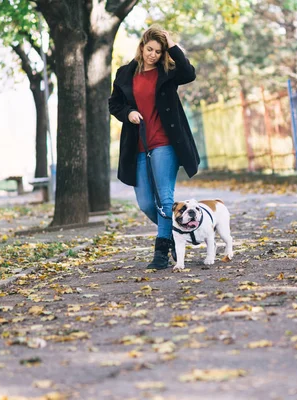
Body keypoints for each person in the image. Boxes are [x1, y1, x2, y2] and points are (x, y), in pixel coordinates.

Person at [108, 25, 200, 270]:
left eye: (158, 51)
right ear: (141, 47)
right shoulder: (125, 73)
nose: (153, 55)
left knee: (164, 198)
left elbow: (189, 73)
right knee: (147, 203)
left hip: (165, 143)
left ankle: (160, 252)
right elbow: (114, 104)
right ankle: (172, 234)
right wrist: (128, 113)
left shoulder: (168, 71)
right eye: (150, 49)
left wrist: (171, 44)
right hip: (137, 144)